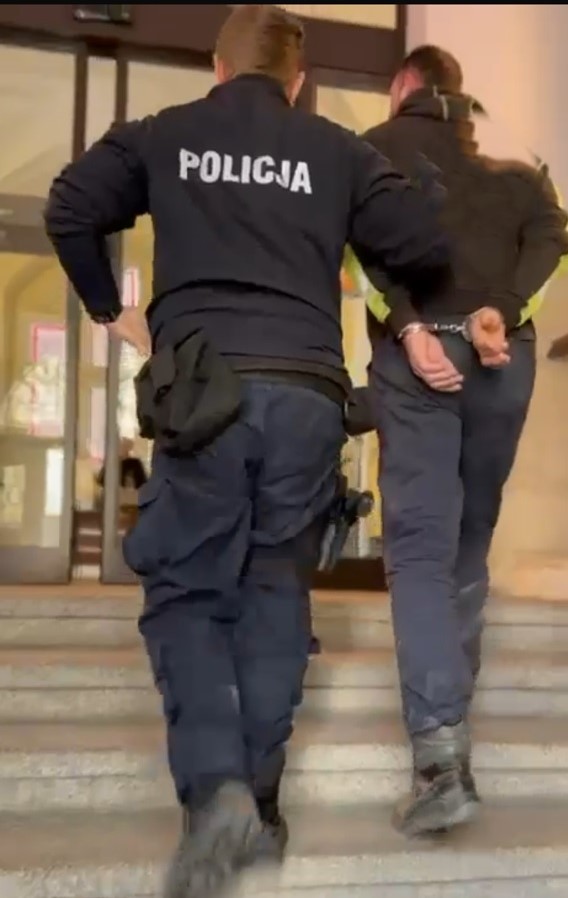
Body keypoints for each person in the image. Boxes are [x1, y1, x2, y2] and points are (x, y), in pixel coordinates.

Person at [44, 8, 453, 896]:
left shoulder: (166, 133)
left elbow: (70, 206)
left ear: (218, 67)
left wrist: (111, 309)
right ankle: (260, 805)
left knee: (189, 592)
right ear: (297, 82)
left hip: (206, 390)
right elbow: (422, 244)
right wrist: (414, 179)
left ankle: (216, 792)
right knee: (274, 592)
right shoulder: (336, 150)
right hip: (307, 397)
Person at [359, 45, 568, 837]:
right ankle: (453, 717)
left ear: (404, 87)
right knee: (469, 543)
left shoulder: (371, 151)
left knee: (418, 550)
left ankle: (442, 762)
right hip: (499, 361)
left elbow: (360, 251)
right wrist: (501, 312)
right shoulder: (518, 166)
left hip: (418, 357)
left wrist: (409, 324)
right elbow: (553, 238)